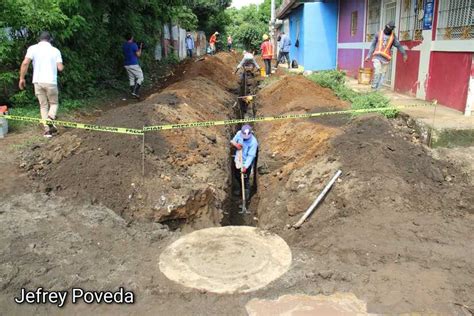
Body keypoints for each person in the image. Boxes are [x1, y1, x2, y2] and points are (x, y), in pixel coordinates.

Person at [19, 31, 64, 138]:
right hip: (51, 82)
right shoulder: (55, 50)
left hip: (37, 82)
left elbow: (25, 63)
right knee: (54, 103)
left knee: (43, 106)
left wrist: (21, 78)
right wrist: (62, 66)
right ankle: (50, 118)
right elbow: (60, 68)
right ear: (50, 40)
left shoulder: (32, 48)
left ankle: (47, 131)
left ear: (39, 39)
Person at [365, 21, 408, 90]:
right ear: (386, 26)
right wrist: (368, 55)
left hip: (386, 59)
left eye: (391, 28)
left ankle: (377, 91)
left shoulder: (393, 37)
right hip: (377, 57)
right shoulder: (378, 34)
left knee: (382, 75)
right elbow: (373, 45)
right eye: (388, 28)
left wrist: (404, 54)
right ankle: (373, 89)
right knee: (377, 72)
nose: (389, 30)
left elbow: (398, 45)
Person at [230, 124, 259, 203]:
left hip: (246, 163)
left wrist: (245, 166)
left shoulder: (253, 142)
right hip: (238, 159)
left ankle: (245, 198)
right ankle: (241, 190)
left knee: (245, 179)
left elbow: (251, 156)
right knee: (237, 175)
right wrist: (236, 144)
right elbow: (233, 141)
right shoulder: (239, 133)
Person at [123, 33, 144, 98]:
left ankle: (133, 93)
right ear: (132, 37)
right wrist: (140, 48)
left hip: (126, 64)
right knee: (141, 77)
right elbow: (138, 55)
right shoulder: (134, 45)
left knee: (131, 78)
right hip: (133, 64)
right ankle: (135, 92)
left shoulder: (124, 45)